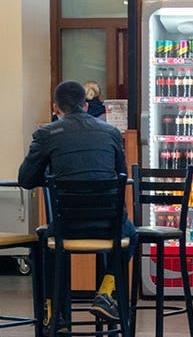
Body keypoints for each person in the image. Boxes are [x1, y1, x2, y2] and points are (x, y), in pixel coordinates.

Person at [18, 80, 134, 322]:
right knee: (131, 234)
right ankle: (105, 293)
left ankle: (53, 314)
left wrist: (51, 176)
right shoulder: (111, 132)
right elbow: (121, 175)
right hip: (108, 226)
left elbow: (26, 179)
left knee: (44, 241)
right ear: (86, 104)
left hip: (67, 225)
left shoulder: (46, 134)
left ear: (55, 107)